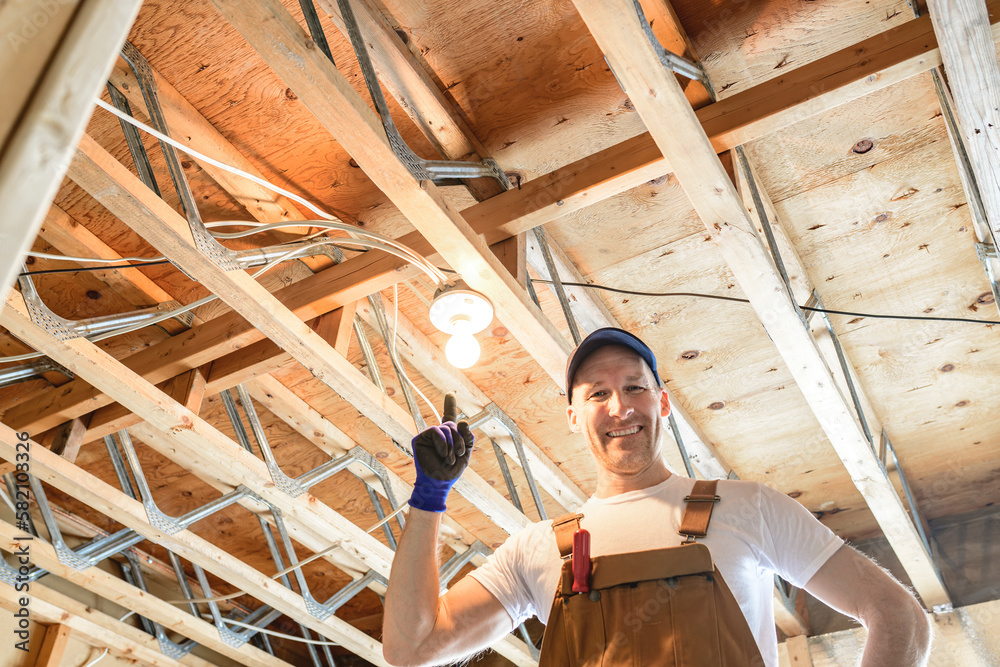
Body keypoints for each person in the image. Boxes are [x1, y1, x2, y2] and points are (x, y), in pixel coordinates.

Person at [382, 327, 932, 666]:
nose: (620, 407)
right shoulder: (538, 551)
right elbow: (410, 649)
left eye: (634, 387)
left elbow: (898, 616)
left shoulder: (749, 509)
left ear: (662, 403)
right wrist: (430, 497)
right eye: (598, 393)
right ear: (573, 416)